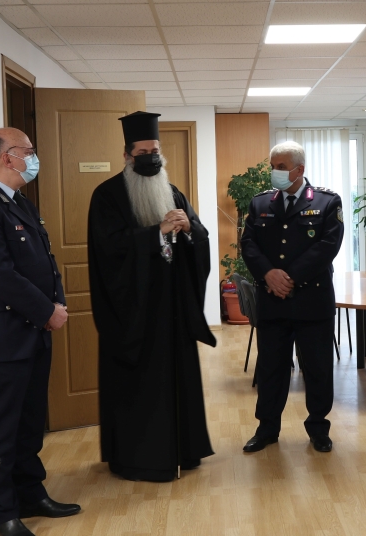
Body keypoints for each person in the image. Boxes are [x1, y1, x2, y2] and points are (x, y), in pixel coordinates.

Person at [0, 127, 81, 536]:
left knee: (30, 423)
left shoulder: (20, 203)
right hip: (5, 337)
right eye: (29, 150)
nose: (34, 157)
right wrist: (47, 311)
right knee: (2, 430)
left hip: (36, 331)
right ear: (8, 156)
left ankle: (31, 493)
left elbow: (46, 261)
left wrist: (56, 303)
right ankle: (3, 512)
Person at [87, 111, 216, 482]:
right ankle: (138, 459)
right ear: (127, 156)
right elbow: (108, 250)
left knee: (177, 380)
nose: (150, 158)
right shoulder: (107, 195)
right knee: (139, 388)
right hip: (133, 313)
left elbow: (200, 236)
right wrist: (156, 232)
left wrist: (189, 230)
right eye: (142, 152)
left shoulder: (172, 191)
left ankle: (183, 451)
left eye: (155, 151)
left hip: (172, 309)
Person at [240, 141, 344, 454]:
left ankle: (318, 428)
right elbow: (248, 244)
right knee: (271, 368)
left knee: (318, 368)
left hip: (312, 301)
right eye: (273, 166)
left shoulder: (327, 202)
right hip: (273, 302)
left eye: (282, 167)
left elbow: (328, 246)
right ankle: (267, 429)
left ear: (300, 169)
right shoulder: (260, 203)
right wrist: (268, 274)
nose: (275, 172)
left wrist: (290, 277)